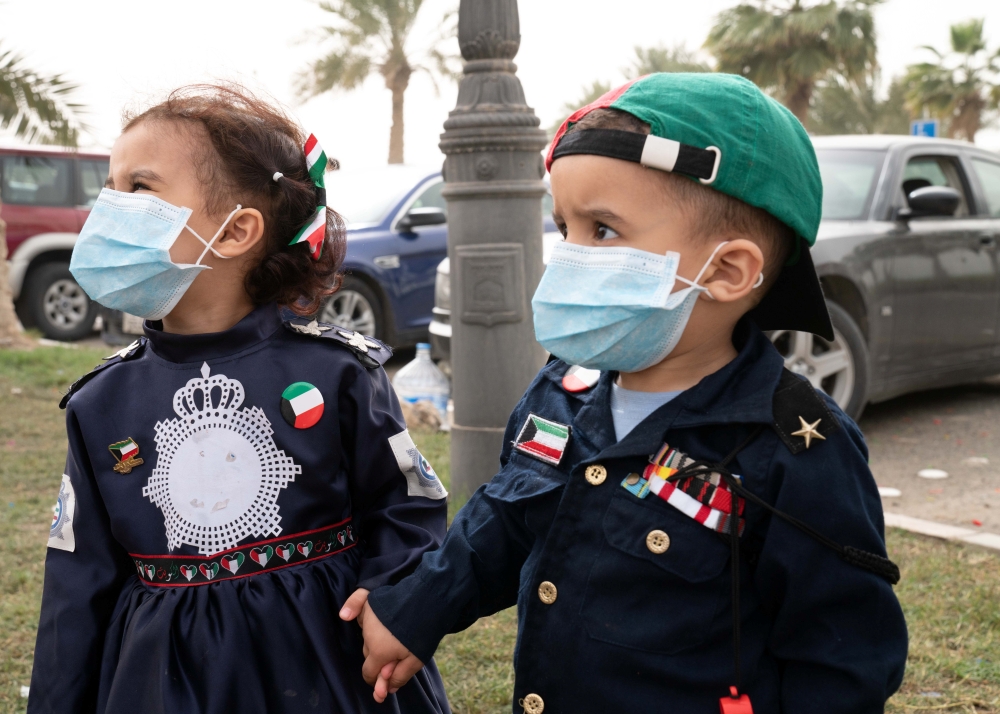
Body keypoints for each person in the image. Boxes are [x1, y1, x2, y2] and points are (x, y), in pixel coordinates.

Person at [347, 73, 909, 713]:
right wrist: (418, 608)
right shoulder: (563, 385)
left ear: (726, 272)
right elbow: (505, 517)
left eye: (603, 231)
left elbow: (841, 657)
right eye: (565, 227)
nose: (569, 257)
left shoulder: (798, 449)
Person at [29, 84, 451, 714]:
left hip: (328, 672)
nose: (110, 210)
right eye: (108, 189)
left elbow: (406, 509)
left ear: (237, 231)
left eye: (138, 189)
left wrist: (397, 605)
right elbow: (76, 586)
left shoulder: (337, 373)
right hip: (162, 684)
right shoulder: (100, 404)